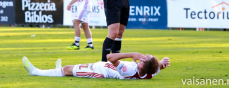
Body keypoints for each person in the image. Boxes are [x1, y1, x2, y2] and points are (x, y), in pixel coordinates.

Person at [22, 52, 170, 79]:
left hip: (99, 71)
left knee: (67, 69)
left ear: (142, 63)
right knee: (70, 66)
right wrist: (163, 62)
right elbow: (157, 68)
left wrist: (131, 54)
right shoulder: (150, 72)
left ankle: (35, 72)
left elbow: (110, 57)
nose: (144, 55)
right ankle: (55, 69)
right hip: (101, 67)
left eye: (146, 57)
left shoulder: (129, 70)